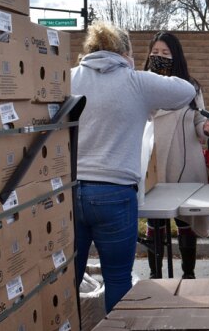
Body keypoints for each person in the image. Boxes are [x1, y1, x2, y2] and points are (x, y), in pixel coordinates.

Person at [72, 21, 196, 312]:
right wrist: (147, 68)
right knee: (117, 277)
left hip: (71, 189)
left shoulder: (70, 78)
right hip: (115, 192)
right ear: (125, 52)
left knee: (68, 278)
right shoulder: (136, 81)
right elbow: (185, 91)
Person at [143, 32, 209, 278]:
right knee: (155, 221)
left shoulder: (191, 88)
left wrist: (205, 129)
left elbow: (199, 123)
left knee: (186, 219)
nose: (159, 58)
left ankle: (189, 275)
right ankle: (155, 276)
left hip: (184, 161)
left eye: (165, 54)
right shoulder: (140, 83)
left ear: (176, 57)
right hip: (151, 161)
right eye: (155, 53)